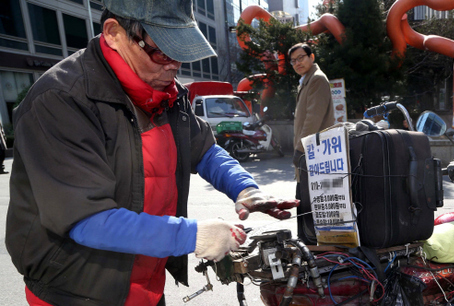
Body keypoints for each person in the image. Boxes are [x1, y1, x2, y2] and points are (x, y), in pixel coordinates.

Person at [5, 1, 298, 305]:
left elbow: (205, 151)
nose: (174, 65)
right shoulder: (61, 100)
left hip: (146, 283)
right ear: (114, 33)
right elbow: (87, 219)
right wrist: (192, 235)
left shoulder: (166, 92)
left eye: (181, 53)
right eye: (162, 52)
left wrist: (246, 188)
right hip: (76, 290)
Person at [288, 43, 334, 244]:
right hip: (309, 153)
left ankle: (312, 246)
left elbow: (313, 119)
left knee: (310, 202)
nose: (297, 63)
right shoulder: (306, 81)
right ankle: (307, 243)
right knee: (303, 200)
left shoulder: (317, 80)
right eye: (293, 60)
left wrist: (300, 149)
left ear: (311, 57)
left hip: (313, 154)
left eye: (301, 57)